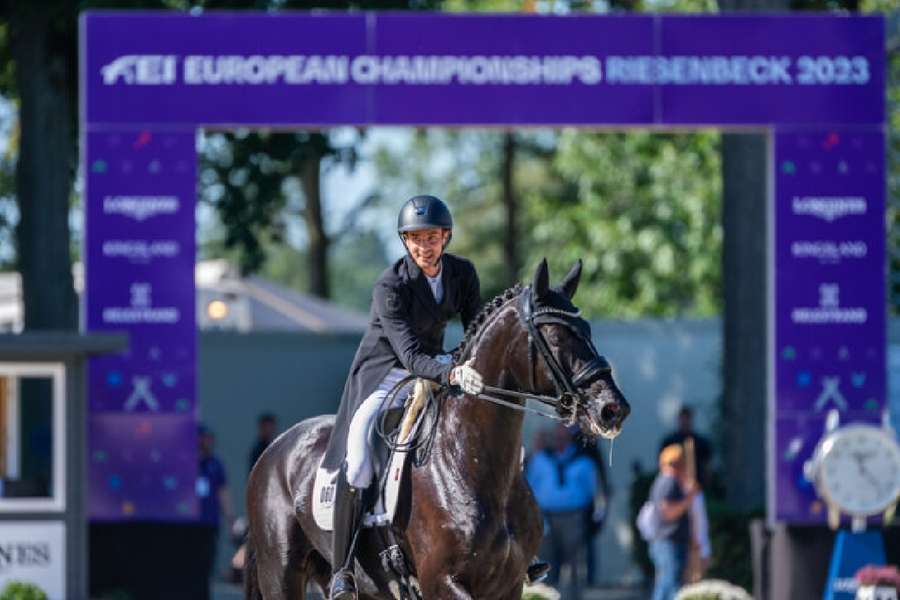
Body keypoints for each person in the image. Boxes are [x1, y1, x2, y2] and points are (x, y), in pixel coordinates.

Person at [320, 195, 485, 600]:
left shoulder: (462, 274)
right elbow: (409, 355)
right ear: (405, 241)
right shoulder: (390, 285)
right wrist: (450, 370)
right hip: (385, 374)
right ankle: (341, 570)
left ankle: (507, 542)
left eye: (431, 237)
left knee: (486, 433)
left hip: (440, 368)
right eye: (414, 238)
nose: (423, 246)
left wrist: (473, 362)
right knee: (358, 457)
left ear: (445, 237)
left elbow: (478, 327)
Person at [526, 424, 598, 600]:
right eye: (556, 437)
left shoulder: (583, 461)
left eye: (562, 438)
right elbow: (529, 485)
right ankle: (545, 597)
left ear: (569, 439)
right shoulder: (540, 459)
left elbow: (591, 491)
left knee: (575, 566)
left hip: (572, 517)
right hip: (546, 517)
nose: (558, 441)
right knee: (546, 564)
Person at [659, 406, 712, 579]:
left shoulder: (700, 443)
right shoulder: (667, 483)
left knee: (698, 530)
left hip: (693, 493)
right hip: (672, 534)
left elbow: (700, 526)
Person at [648, 444, 699, 600]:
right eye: (674, 464)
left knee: (666, 584)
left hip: (667, 543)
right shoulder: (668, 482)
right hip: (668, 543)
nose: (678, 468)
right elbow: (667, 512)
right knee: (670, 586)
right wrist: (688, 499)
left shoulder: (667, 481)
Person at [196, 425, 234, 600]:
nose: (207, 441)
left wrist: (229, 516)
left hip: (209, 522)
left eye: (209, 438)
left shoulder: (215, 464)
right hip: (189, 524)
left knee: (206, 561)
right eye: (204, 437)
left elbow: (222, 491)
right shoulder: (185, 461)